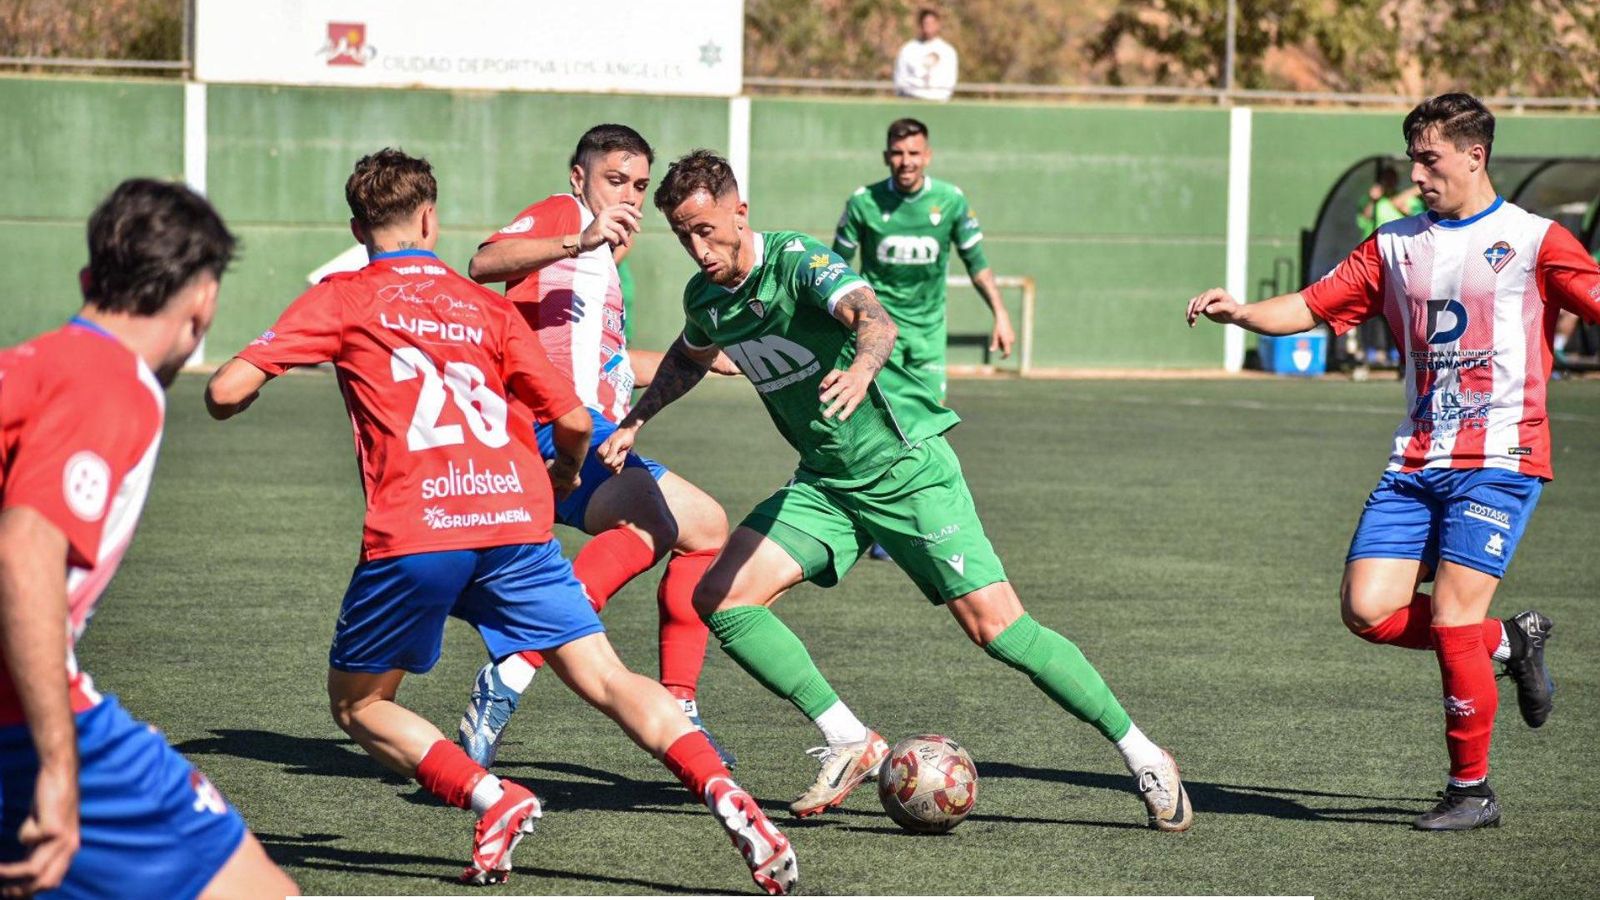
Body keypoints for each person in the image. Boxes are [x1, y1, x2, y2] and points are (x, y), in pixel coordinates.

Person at [205, 149, 796, 893]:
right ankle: (730, 798)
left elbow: (225, 392)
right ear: (431, 218)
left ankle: (494, 797)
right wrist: (558, 478)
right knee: (610, 679)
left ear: (359, 228)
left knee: (359, 705)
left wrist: (256, 376)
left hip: (419, 526)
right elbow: (575, 420)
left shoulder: (342, 296)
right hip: (517, 518)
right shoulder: (479, 303)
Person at [598, 150, 1194, 832]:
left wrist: (860, 370)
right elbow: (688, 354)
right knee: (722, 598)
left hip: (907, 470)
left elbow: (876, 319)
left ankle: (1144, 754)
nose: (698, 247)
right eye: (683, 234)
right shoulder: (705, 298)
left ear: (740, 210)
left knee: (998, 630)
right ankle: (851, 739)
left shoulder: (796, 260)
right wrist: (637, 419)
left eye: (707, 228)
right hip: (827, 483)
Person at [1185, 93, 1600, 831]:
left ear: (1475, 155)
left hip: (1501, 456)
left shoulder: (1535, 240)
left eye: (1430, 158)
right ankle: (1511, 640)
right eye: (1412, 158)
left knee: (1448, 618)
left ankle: (1471, 790)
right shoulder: (1394, 245)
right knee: (1368, 610)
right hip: (1415, 461)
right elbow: (1313, 306)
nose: (1417, 173)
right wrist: (1243, 312)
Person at [0, 179, 297, 898]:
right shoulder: (112, 380)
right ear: (203, 299)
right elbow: (24, 549)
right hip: (22, 725)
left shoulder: (26, 365)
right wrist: (59, 764)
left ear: (88, 280)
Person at [460, 124, 736, 769]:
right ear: (580, 177)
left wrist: (702, 359)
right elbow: (482, 262)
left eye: (639, 186)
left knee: (704, 527)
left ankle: (678, 703)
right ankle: (518, 663)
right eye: (616, 180)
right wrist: (576, 235)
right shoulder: (566, 216)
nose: (630, 197)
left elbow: (607, 364)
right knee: (654, 515)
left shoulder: (606, 262)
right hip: (548, 424)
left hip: (588, 425)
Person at [833, 117, 1013, 404]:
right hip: (880, 327)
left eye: (914, 153)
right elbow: (837, 268)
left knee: (932, 417)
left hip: (928, 332)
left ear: (927, 156)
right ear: (886, 157)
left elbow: (977, 264)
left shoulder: (950, 200)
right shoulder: (863, 202)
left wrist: (1000, 314)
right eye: (897, 153)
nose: (906, 162)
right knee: (882, 418)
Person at [893, 8, 958, 102]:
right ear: (920, 25)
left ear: (938, 25)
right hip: (912, 100)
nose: (928, 27)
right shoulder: (908, 49)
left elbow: (950, 81)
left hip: (938, 103)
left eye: (932, 23)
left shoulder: (948, 51)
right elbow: (900, 78)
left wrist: (940, 98)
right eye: (925, 23)